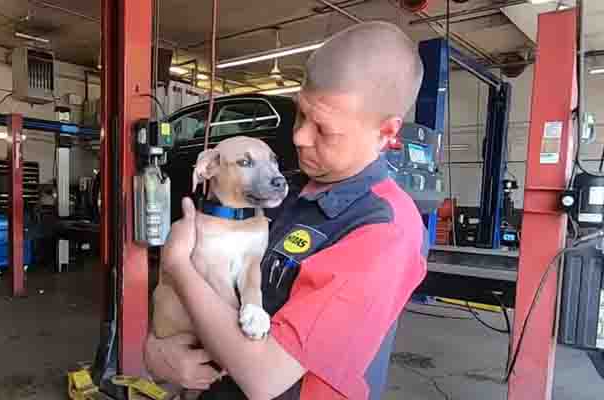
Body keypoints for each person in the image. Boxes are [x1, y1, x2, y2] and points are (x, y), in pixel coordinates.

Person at [145, 21, 428, 400]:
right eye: (300, 115)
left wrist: (178, 264)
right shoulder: (287, 190)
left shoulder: (382, 231)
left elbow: (264, 378)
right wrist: (157, 351)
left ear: (387, 132)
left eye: (324, 129)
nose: (299, 137)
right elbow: (199, 299)